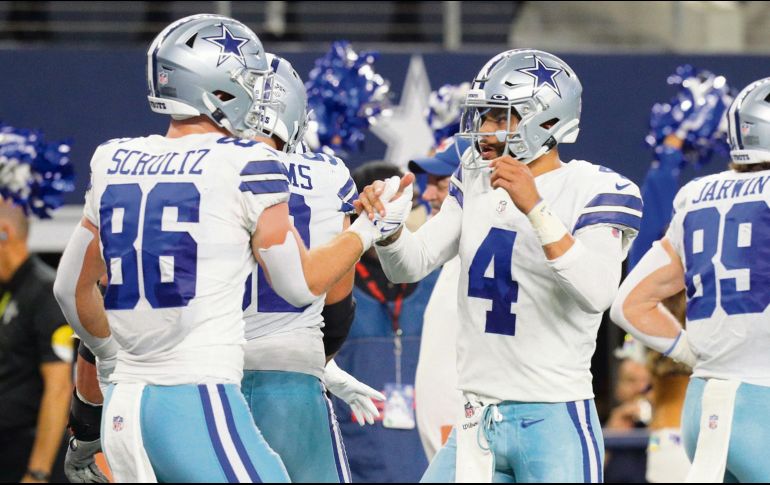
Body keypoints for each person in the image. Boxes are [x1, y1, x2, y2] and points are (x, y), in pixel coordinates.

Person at [53, 14, 412, 483]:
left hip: (126, 406)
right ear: (215, 86)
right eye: (247, 80)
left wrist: (112, 358)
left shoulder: (113, 158)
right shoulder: (247, 161)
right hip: (193, 401)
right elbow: (299, 284)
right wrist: (370, 226)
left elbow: (68, 288)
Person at [357, 48, 643, 482]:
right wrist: (391, 232)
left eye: (499, 117)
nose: (485, 130)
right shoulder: (473, 177)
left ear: (547, 121)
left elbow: (598, 293)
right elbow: (409, 268)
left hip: (553, 416)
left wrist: (536, 208)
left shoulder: (594, 188)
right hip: (477, 417)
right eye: (483, 116)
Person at [610, 77, 770, 483]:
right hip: (761, 404)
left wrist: (693, 355)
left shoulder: (698, 194)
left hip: (700, 409)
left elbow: (630, 303)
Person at [240, 53, 383, 483]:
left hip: (201, 381)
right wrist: (318, 364)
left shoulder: (204, 169)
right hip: (291, 383)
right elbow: (337, 309)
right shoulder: (327, 175)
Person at [333, 161, 439, 483]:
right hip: (356, 460)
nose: (385, 221)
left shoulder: (439, 282)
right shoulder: (334, 283)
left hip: (427, 457)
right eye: (376, 210)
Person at [0, 201, 72, 483]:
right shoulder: (8, 291)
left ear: (4, 233)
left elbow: (59, 389)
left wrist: (38, 472)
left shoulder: (45, 294)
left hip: (28, 457)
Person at [409, 137, 469, 461]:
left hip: (465, 435)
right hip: (447, 443)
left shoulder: (476, 262)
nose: (428, 194)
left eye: (441, 184)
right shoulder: (451, 258)